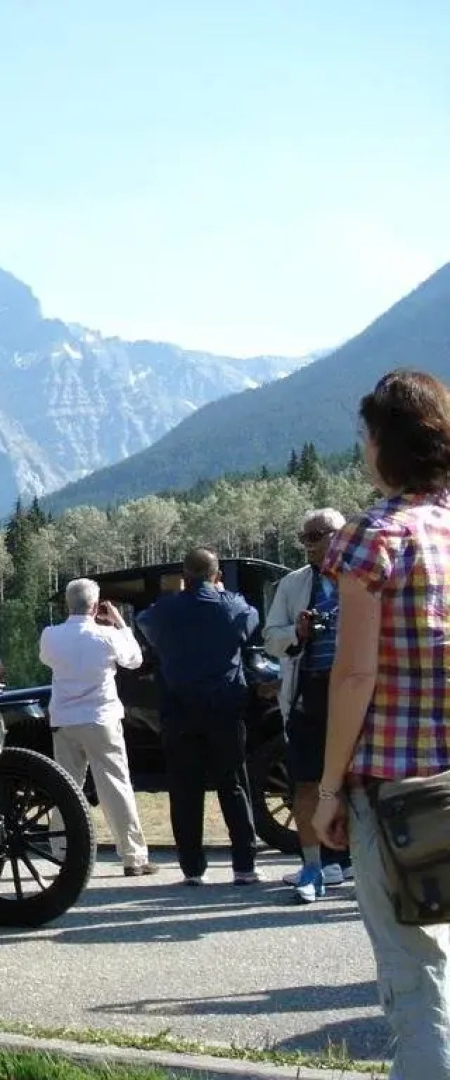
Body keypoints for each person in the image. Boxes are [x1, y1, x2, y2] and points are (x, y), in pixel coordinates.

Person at [314, 369, 450, 1077]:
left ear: (382, 445)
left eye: (365, 434)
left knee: (413, 970)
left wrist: (332, 788)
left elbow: (356, 674)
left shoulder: (376, 537)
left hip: (399, 795)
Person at [136, 548, 262, 886]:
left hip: (178, 709)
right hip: (224, 706)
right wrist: (223, 594)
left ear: (184, 577)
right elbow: (252, 619)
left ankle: (192, 868)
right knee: (233, 785)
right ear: (216, 575)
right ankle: (244, 865)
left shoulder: (164, 611)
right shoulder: (232, 607)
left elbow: (143, 623)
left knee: (184, 789)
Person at [263, 507, 353, 902]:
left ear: (340, 534)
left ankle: (355, 865)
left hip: (354, 691)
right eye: (305, 537)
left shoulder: (363, 575)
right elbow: (270, 638)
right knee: (305, 783)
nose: (310, 544)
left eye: (317, 535)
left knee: (358, 784)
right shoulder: (292, 584)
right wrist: (296, 633)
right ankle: (313, 866)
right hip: (309, 694)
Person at [39, 579, 158, 876]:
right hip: (100, 717)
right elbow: (135, 660)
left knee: (65, 788)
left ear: (68, 603)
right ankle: (133, 855)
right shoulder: (105, 636)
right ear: (95, 606)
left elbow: (46, 659)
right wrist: (119, 623)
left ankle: (63, 854)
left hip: (65, 719)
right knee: (115, 786)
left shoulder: (51, 636)